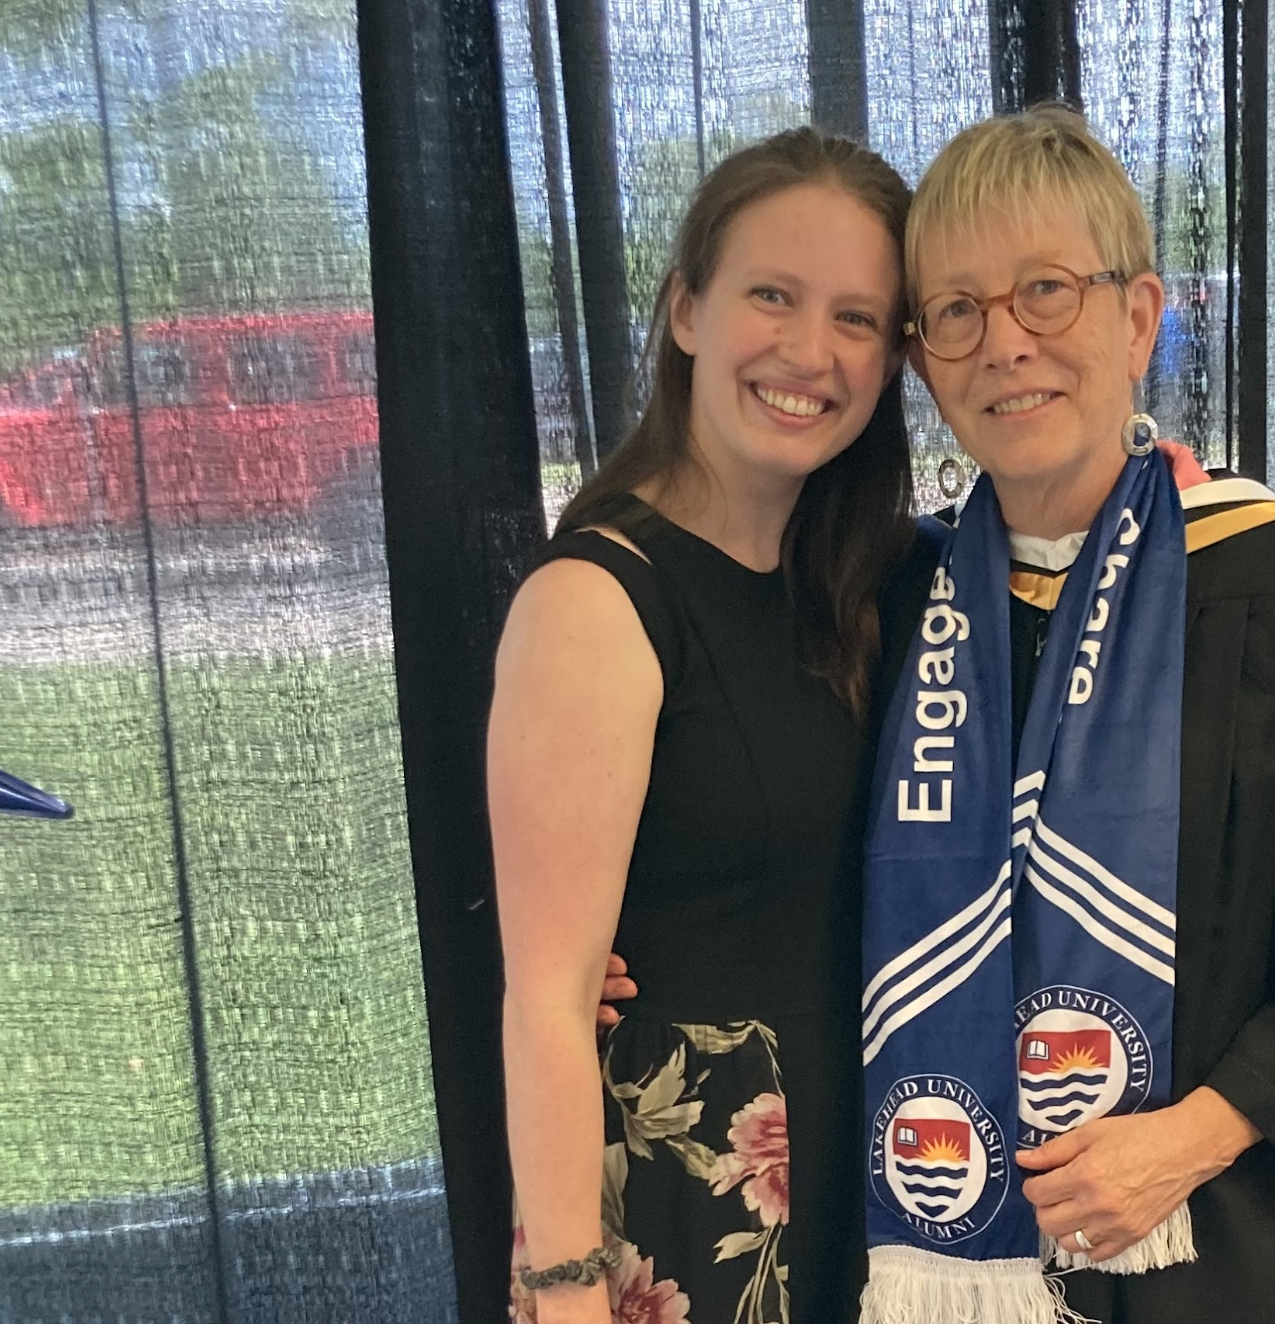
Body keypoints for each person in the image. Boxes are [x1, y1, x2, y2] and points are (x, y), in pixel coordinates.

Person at [856, 106, 1275, 1323]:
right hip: (939, 1268)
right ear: (924, 360)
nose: (1005, 344)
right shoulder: (894, 611)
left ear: (1139, 317)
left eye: (1047, 292)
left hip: (1224, 1265)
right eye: (957, 312)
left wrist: (1191, 1136)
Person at [488, 126, 917, 1324]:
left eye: (856, 317)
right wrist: (566, 1295)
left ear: (895, 357)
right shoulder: (595, 603)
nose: (808, 351)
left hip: (861, 1189)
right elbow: (548, 1003)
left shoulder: (867, 583)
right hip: (687, 1221)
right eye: (772, 295)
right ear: (686, 309)